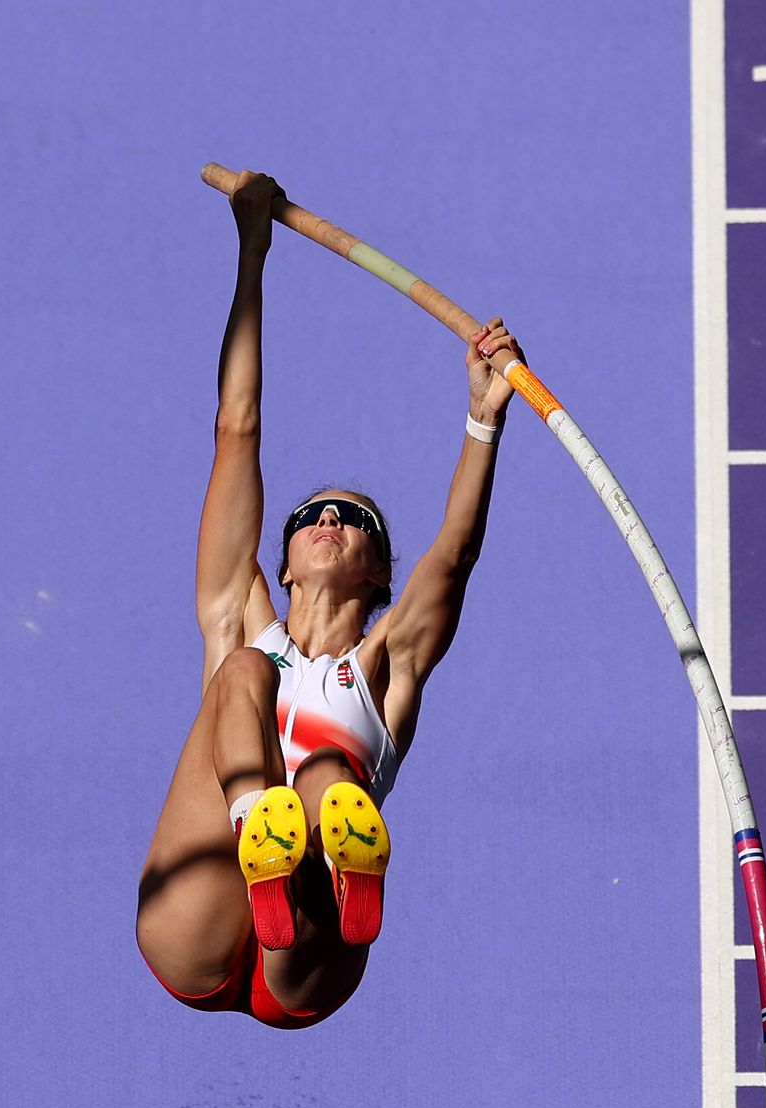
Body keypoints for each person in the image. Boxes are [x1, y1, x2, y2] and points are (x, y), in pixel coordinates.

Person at [135, 170, 521, 1029]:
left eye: (356, 521)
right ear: (285, 562)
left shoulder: (390, 666)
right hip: (193, 925)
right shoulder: (241, 614)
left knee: (323, 779)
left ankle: (320, 861)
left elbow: (453, 557)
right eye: (315, 515)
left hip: (304, 960)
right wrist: (251, 253)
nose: (333, 520)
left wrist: (484, 421)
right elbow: (236, 427)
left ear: (381, 574)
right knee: (240, 673)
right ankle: (255, 833)